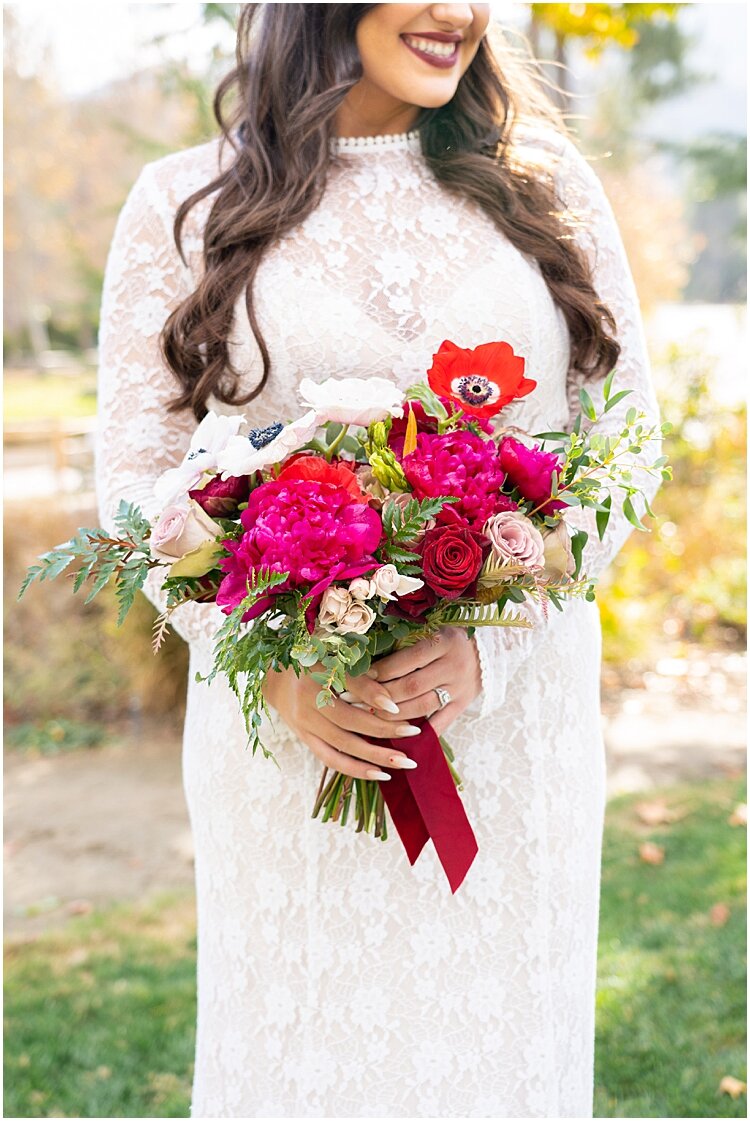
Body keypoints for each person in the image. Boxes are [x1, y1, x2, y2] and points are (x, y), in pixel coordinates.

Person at [95, 4, 662, 1116]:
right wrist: (269, 662)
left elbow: (625, 445)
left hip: (514, 733)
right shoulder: (183, 199)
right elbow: (136, 472)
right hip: (293, 742)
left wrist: (496, 644)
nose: (458, 9)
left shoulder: (546, 186)